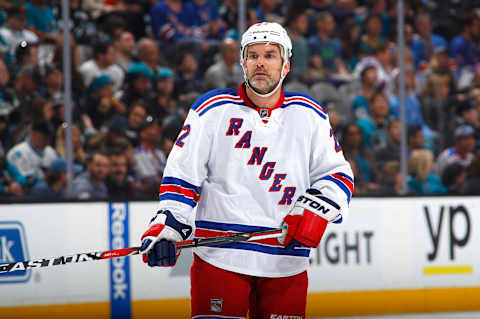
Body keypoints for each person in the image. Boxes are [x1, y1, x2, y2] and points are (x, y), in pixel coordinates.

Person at [139, 22, 354, 318]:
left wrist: (313, 211)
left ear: (286, 65)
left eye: (270, 55)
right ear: (243, 63)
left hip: (286, 263)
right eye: (252, 56)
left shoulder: (309, 114)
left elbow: (337, 174)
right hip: (220, 259)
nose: (260, 63)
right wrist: (167, 228)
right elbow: (182, 180)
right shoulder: (211, 110)